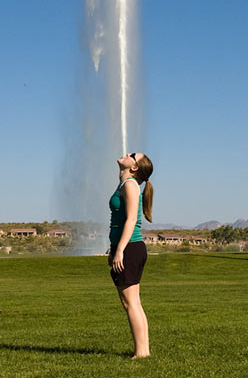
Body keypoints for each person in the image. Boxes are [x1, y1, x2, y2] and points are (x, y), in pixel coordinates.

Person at [108, 152, 154, 359]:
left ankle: (141, 352)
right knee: (134, 301)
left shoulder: (130, 185)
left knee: (130, 303)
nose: (126, 154)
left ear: (134, 167)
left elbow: (131, 220)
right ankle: (143, 351)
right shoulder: (127, 184)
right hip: (130, 248)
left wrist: (119, 251)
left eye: (132, 155)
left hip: (129, 249)